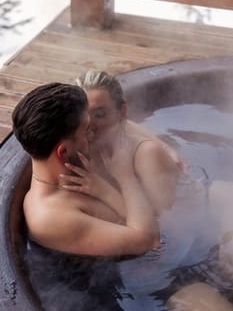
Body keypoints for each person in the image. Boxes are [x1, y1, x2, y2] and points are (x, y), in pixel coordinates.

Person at [12, 82, 160, 256]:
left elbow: (120, 122)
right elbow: (151, 241)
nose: (93, 134)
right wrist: (125, 176)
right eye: (87, 130)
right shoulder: (51, 217)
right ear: (64, 151)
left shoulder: (68, 167)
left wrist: (163, 145)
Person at [63, 70, 184, 215]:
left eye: (99, 115)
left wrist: (105, 191)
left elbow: (163, 226)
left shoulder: (146, 155)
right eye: (83, 115)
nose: (88, 124)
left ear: (122, 112)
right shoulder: (77, 144)